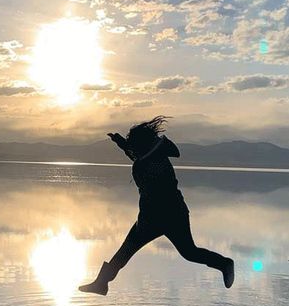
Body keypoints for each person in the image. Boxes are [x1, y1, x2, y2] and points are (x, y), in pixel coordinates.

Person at [79, 116, 234, 296]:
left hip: (165, 216)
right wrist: (121, 143)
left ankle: (224, 264)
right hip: (157, 216)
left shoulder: (154, 162)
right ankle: (101, 283)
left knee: (188, 252)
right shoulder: (151, 156)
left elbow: (141, 162)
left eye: (132, 142)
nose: (131, 145)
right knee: (128, 251)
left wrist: (124, 146)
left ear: (142, 144)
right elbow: (137, 156)